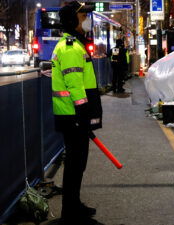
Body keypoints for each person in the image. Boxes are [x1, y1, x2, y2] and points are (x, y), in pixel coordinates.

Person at [51, 1, 103, 224]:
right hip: (73, 115)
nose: (87, 19)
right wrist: (83, 112)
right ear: (73, 20)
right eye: (83, 15)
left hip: (73, 114)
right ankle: (70, 211)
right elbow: (74, 84)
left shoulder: (74, 45)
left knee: (77, 163)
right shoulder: (70, 47)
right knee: (75, 163)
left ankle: (73, 205)